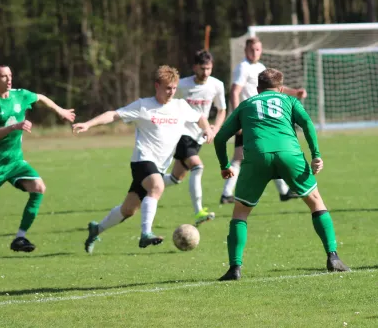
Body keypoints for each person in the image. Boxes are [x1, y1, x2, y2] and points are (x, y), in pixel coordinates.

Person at [214, 68, 349, 281]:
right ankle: (333, 257)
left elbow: (220, 138)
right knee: (316, 202)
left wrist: (224, 165)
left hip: (257, 156)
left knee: (240, 213)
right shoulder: (290, 101)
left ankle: (234, 268)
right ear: (281, 88)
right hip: (290, 154)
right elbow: (307, 123)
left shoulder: (246, 105)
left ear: (257, 89)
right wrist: (316, 155)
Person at [72, 65, 214, 253]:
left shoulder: (180, 106)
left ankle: (96, 229)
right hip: (142, 160)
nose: (171, 92)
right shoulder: (143, 106)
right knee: (157, 186)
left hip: (160, 166)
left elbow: (200, 117)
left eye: (173, 88)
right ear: (157, 86)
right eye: (167, 88)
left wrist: (207, 129)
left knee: (128, 210)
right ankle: (145, 234)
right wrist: (88, 124)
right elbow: (114, 114)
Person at [0, 63, 76, 252]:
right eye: (3, 76)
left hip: (15, 162)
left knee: (38, 188)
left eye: (10, 75)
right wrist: (14, 127)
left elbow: (40, 97)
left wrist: (61, 111)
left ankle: (20, 238)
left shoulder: (20, 95)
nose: (9, 80)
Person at [220, 37, 308, 204]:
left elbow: (274, 89)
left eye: (258, 49)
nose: (255, 53)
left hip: (258, 120)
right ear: (246, 51)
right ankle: (226, 194)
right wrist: (238, 118)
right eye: (252, 50)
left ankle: (283, 192)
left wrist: (295, 92)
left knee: (253, 153)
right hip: (250, 119)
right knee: (244, 156)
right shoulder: (243, 68)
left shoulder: (260, 68)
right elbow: (234, 91)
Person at [163, 50, 226, 226]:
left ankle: (146, 185)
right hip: (181, 134)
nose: (206, 73)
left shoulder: (216, 85)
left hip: (199, 137)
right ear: (194, 68)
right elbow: (166, 103)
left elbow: (221, 110)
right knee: (197, 167)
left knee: (176, 178)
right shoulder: (182, 85)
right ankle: (199, 211)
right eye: (203, 68)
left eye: (209, 69)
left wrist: (214, 128)